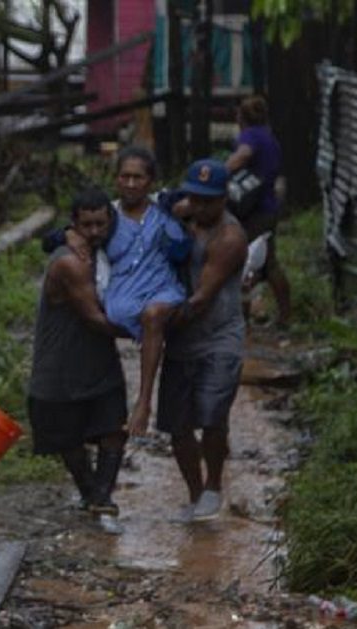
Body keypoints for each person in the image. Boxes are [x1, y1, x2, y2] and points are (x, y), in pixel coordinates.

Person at [56, 147, 193, 437]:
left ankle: (144, 402)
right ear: (116, 179)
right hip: (124, 292)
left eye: (138, 177)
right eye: (125, 177)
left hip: (161, 286)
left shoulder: (165, 207)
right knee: (125, 320)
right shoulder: (108, 215)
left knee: (154, 315)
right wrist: (67, 233)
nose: (131, 184)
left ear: (151, 180)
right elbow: (71, 231)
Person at [141, 158, 249, 523]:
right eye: (195, 198)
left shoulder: (229, 238)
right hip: (182, 340)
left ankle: (214, 484)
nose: (199, 207)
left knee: (213, 415)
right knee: (178, 423)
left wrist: (153, 323)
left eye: (209, 201)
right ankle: (194, 493)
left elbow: (202, 298)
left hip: (218, 335)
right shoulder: (182, 210)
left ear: (223, 199)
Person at [29, 188, 132, 529]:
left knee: (114, 429)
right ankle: (92, 494)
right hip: (61, 366)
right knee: (68, 439)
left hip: (97, 361)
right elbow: (94, 318)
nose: (94, 231)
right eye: (86, 225)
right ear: (75, 224)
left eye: (101, 224)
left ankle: (101, 497)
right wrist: (147, 329)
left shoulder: (105, 249)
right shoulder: (70, 262)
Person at [225, 95, 290, 326]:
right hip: (269, 207)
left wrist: (218, 172)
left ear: (240, 116)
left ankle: (241, 319)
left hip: (252, 209)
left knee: (244, 262)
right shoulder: (270, 138)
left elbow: (243, 155)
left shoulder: (251, 136)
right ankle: (284, 315)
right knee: (269, 262)